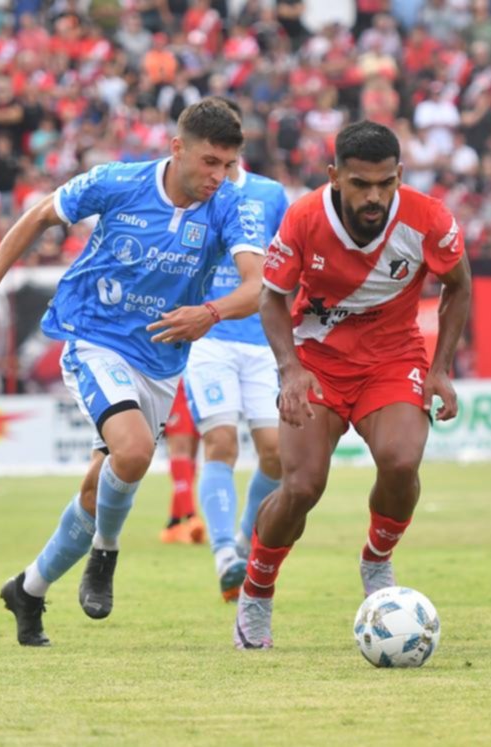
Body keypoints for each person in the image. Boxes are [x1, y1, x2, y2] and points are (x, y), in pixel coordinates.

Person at [0, 99, 265, 646]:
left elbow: (254, 286)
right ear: (177, 149)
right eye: (210, 162)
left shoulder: (230, 205)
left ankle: (27, 589)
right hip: (93, 336)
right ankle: (106, 554)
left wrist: (211, 312)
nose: (219, 176)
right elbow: (37, 216)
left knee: (98, 488)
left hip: (161, 360)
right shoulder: (116, 183)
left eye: (228, 165)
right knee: (133, 451)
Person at [232, 121, 472, 649]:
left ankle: (377, 559)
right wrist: (290, 369)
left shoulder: (428, 218)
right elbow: (272, 297)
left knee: (402, 459)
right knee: (300, 488)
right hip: (317, 362)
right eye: (361, 184)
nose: (375, 196)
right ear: (335, 176)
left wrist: (440, 368)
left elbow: (459, 285)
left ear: (400, 176)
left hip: (392, 359)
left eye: (386, 183)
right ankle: (256, 593)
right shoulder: (304, 219)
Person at [183, 138, 289, 602]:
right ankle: (225, 554)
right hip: (210, 338)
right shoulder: (192, 193)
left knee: (276, 454)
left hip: (262, 342)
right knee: (220, 442)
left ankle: (245, 539)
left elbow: (288, 264)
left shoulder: (269, 195)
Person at [158, 383, 206, 545]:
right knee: (180, 451)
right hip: (177, 386)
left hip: (200, 385)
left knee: (191, 458)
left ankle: (174, 524)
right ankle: (191, 516)